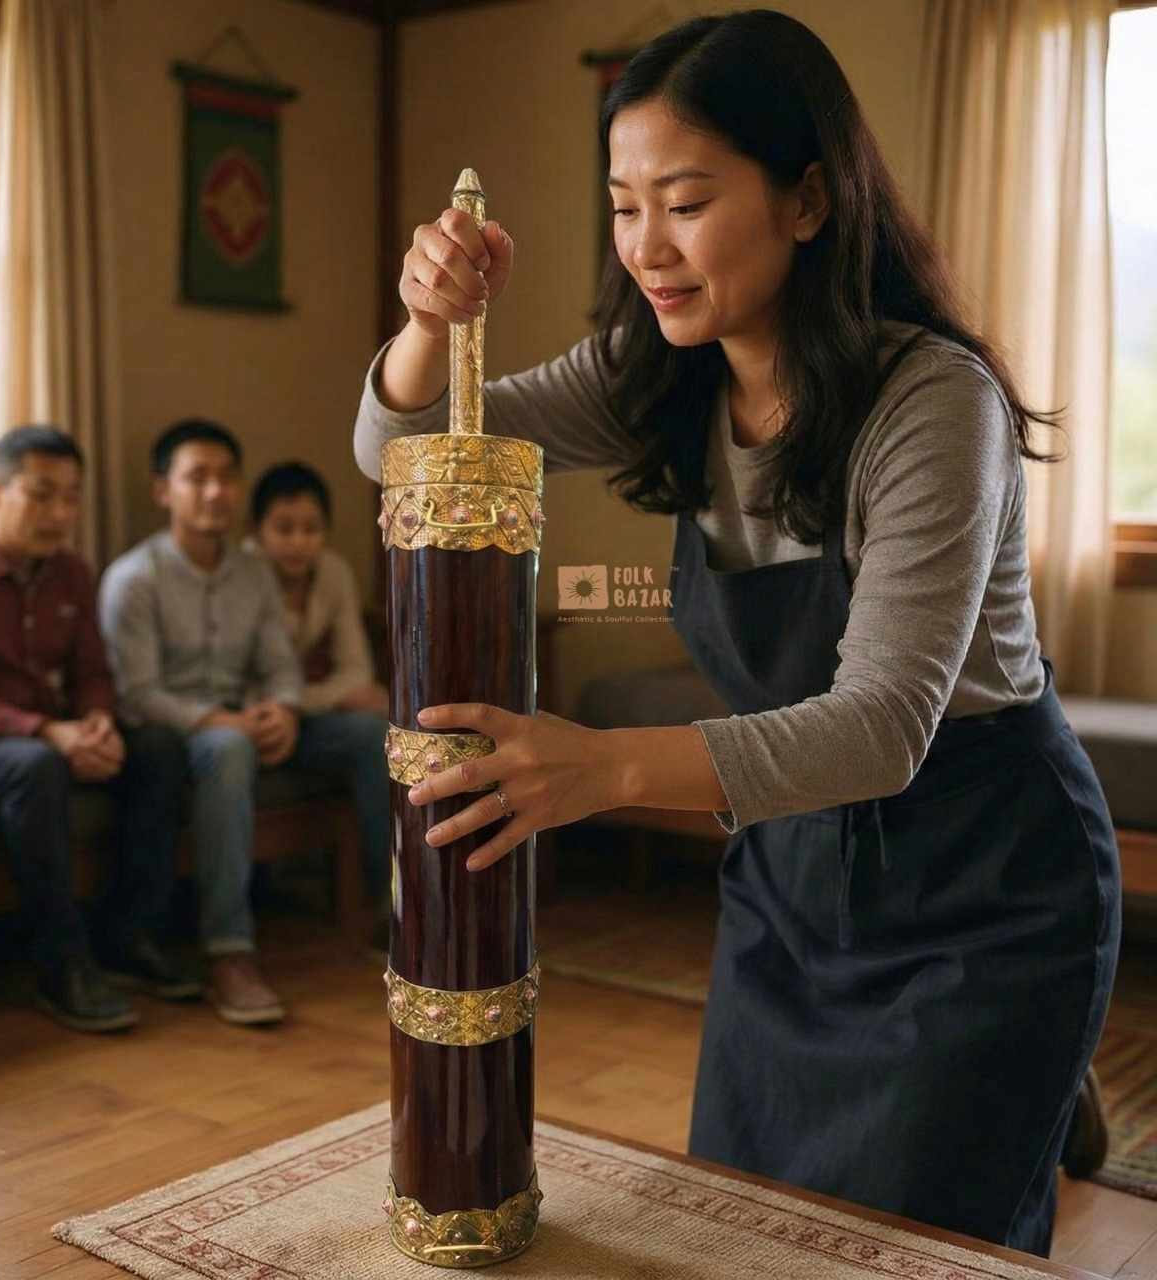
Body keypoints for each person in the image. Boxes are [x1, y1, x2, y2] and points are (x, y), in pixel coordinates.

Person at [350, 9, 1121, 1257]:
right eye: (622, 206)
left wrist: (600, 765)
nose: (645, 247)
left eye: (685, 202)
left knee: (913, 1244)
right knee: (748, 1234)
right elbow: (397, 448)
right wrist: (429, 326)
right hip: (788, 874)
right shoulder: (660, 368)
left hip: (978, 879)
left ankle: (1029, 1066)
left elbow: (878, 728)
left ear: (806, 199)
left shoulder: (932, 402)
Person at [0, 426, 195, 1033]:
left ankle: (130, 935)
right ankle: (61, 965)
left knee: (159, 747)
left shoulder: (71, 573)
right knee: (35, 766)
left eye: (71, 497)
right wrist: (50, 733)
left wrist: (97, 723)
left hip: (47, 731)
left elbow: (92, 673)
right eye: (41, 495)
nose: (60, 513)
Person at [99, 419, 302, 1026]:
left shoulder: (254, 571)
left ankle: (395, 917)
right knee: (227, 749)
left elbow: (281, 666)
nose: (216, 491)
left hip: (247, 717)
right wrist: (220, 721)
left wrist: (285, 709)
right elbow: (136, 694)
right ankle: (229, 951)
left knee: (370, 735)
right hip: (179, 732)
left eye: (227, 477)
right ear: (163, 490)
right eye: (197, 478)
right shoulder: (134, 579)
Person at [246, 462, 392, 924]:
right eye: (283, 529)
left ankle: (393, 895)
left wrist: (303, 703)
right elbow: (241, 684)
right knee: (364, 718)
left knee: (375, 730)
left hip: (302, 715)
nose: (298, 542)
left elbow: (357, 670)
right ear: (257, 531)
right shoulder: (241, 575)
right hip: (250, 717)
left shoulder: (332, 572)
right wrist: (330, 696)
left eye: (311, 529)